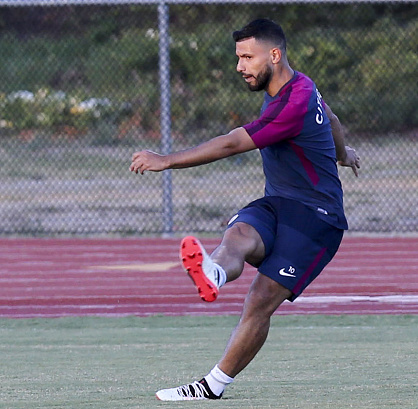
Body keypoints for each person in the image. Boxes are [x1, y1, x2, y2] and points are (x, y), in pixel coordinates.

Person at [129, 18, 360, 401]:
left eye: (247, 57)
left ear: (274, 54)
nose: (240, 66)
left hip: (318, 219)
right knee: (237, 234)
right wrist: (342, 153)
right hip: (279, 203)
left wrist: (166, 160)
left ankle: (212, 386)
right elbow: (332, 119)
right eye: (238, 57)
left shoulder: (294, 101)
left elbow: (232, 144)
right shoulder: (300, 85)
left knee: (259, 299)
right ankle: (213, 273)